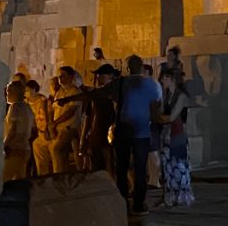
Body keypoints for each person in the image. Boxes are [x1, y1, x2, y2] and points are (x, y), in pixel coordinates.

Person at [62, 53, 161, 215]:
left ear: (127, 68)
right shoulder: (152, 85)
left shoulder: (120, 84)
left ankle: (122, 201)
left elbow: (95, 94)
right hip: (142, 131)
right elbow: (157, 108)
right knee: (140, 168)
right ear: (142, 67)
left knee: (121, 168)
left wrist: (70, 99)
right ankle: (138, 204)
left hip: (123, 130)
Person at [157, 68, 194, 207]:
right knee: (167, 167)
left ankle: (182, 195)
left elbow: (171, 117)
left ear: (172, 79)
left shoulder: (181, 96)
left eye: (164, 79)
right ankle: (170, 195)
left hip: (177, 135)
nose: (162, 81)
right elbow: (160, 114)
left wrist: (162, 118)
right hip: (166, 136)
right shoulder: (167, 95)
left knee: (179, 166)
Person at [50, 66, 83, 172]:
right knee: (59, 153)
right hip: (58, 127)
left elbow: (70, 112)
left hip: (69, 127)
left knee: (57, 149)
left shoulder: (75, 92)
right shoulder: (59, 93)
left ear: (70, 76)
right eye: (59, 76)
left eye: (63, 75)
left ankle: (58, 175)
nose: (60, 78)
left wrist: (54, 123)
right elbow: (53, 109)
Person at [3, 80, 35, 181]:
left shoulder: (15, 107)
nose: (6, 94)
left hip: (15, 149)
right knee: (19, 180)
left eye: (8, 91)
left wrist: (5, 145)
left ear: (15, 92)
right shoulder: (27, 107)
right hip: (25, 148)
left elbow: (13, 129)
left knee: (3, 179)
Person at [25, 80, 52, 176]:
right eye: (25, 90)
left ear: (35, 89)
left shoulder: (42, 100)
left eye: (29, 90)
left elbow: (44, 116)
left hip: (39, 129)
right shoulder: (25, 102)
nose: (27, 92)